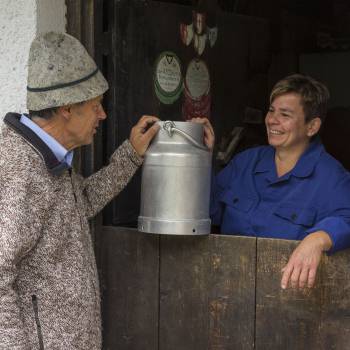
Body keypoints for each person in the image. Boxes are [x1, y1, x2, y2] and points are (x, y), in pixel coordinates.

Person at [0, 32, 159, 349]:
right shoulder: (20, 166)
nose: (103, 115)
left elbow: (81, 202)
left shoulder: (48, 158)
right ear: (68, 109)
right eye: (96, 105)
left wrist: (130, 155)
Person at [209, 74, 350, 290]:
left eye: (285, 114)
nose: (272, 120)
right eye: (271, 110)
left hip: (286, 299)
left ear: (311, 127)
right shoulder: (246, 162)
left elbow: (347, 217)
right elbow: (208, 210)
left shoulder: (331, 177)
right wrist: (198, 159)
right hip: (226, 289)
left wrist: (319, 238)